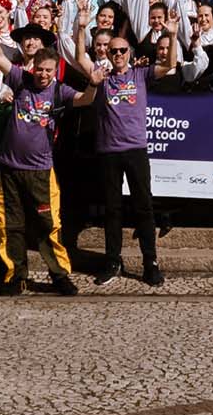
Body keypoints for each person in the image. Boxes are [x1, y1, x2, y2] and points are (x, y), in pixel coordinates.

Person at [66, 27, 166, 285]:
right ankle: (112, 261)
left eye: (123, 50)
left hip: (136, 150)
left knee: (144, 207)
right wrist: (81, 26)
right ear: (108, 54)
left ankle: (150, 262)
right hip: (109, 151)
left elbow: (170, 64)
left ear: (129, 53)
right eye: (114, 51)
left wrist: (174, 35)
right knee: (113, 210)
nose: (119, 54)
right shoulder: (102, 77)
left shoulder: (140, 74)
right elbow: (80, 56)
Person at [0, 28, 82, 295]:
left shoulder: (59, 92)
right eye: (40, 69)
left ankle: (59, 275)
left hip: (41, 171)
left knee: (49, 225)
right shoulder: (21, 80)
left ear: (55, 71)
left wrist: (94, 82)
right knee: (11, 225)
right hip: (9, 168)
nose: (43, 74)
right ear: (34, 67)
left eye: (48, 70)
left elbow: (85, 99)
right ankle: (15, 275)